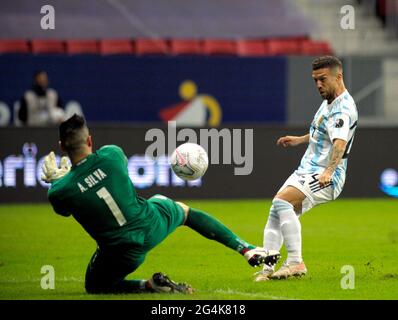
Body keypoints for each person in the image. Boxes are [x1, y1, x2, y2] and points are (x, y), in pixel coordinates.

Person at [41, 114, 280, 294]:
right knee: (183, 211)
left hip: (120, 252)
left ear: (62, 145)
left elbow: (64, 208)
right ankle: (246, 248)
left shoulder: (60, 192)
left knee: (94, 287)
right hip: (150, 223)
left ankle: (148, 286)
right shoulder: (112, 154)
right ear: (90, 140)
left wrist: (60, 180)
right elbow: (106, 173)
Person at [255, 56, 358, 281]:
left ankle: (295, 262)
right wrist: (299, 139)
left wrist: (329, 171)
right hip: (308, 169)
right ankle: (267, 269)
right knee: (276, 211)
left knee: (282, 202)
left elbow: (339, 143)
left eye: (322, 79)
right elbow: (323, 134)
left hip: (327, 174)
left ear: (338, 76)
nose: (318, 85)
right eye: (315, 80)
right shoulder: (329, 102)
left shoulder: (343, 109)